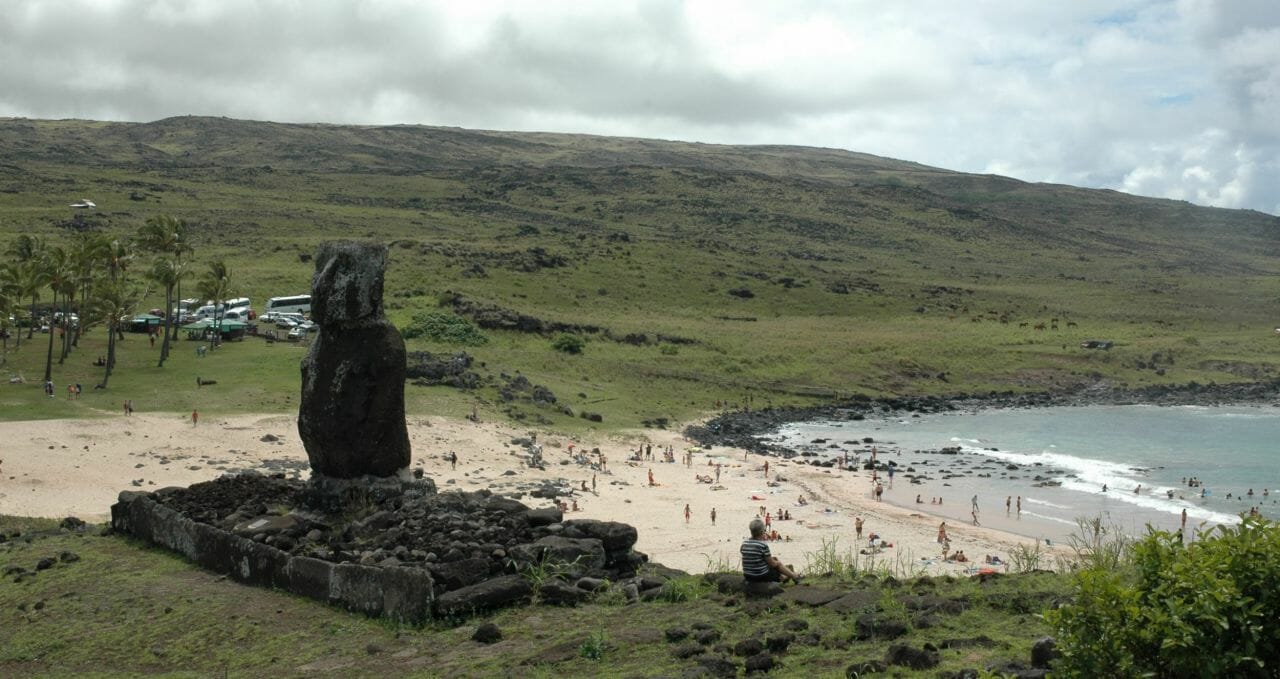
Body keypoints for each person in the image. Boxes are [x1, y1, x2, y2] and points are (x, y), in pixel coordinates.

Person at [741, 518, 801, 584]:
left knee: (774, 558)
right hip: (760, 576)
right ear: (762, 531)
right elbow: (772, 564)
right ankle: (793, 576)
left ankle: (786, 576)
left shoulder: (744, 543)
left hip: (748, 575)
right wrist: (778, 563)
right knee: (777, 564)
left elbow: (753, 556)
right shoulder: (762, 545)